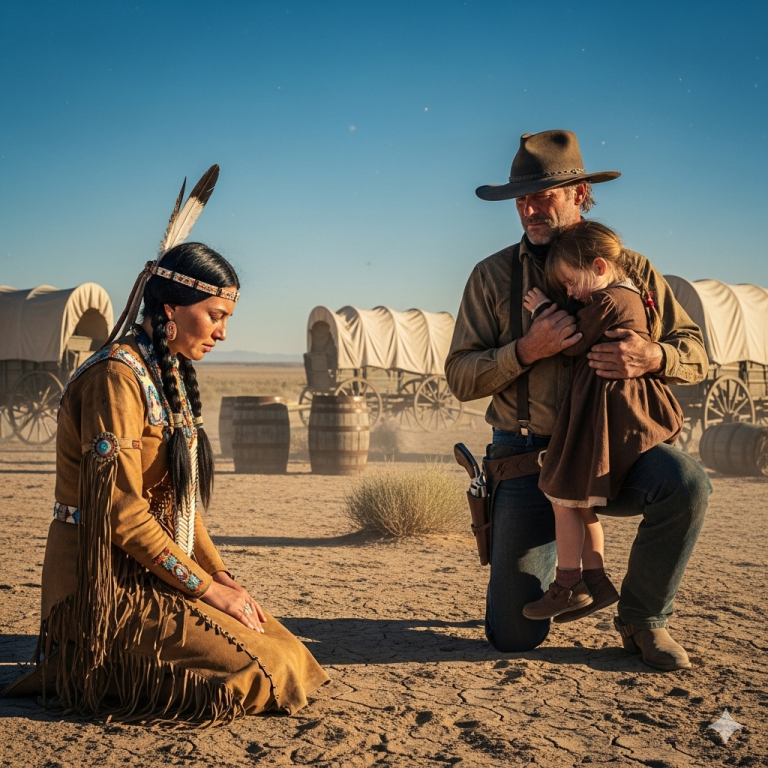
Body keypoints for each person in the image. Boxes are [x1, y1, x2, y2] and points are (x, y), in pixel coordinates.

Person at [3, 170, 329, 723]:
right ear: (173, 309)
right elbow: (123, 514)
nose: (223, 331)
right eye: (217, 315)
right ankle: (90, 661)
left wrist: (221, 577)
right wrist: (205, 590)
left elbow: (180, 505)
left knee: (292, 656)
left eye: (228, 319)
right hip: (103, 583)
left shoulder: (165, 375)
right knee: (259, 673)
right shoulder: (116, 379)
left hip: (153, 567)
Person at [445, 130, 711, 671]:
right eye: (522, 197)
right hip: (528, 458)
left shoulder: (633, 269)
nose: (529, 208)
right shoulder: (492, 276)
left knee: (686, 484)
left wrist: (653, 357)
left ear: (580, 194)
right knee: (514, 636)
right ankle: (570, 583)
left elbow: (697, 354)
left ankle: (643, 619)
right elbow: (460, 376)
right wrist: (524, 350)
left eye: (544, 194)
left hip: (619, 448)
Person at [519, 221, 684, 622]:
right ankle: (597, 582)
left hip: (599, 416)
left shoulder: (609, 302)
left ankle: (568, 583)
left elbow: (572, 339)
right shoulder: (631, 294)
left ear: (598, 266)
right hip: (601, 409)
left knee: (561, 497)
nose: (571, 294)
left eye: (572, 284)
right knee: (582, 505)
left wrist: (543, 310)